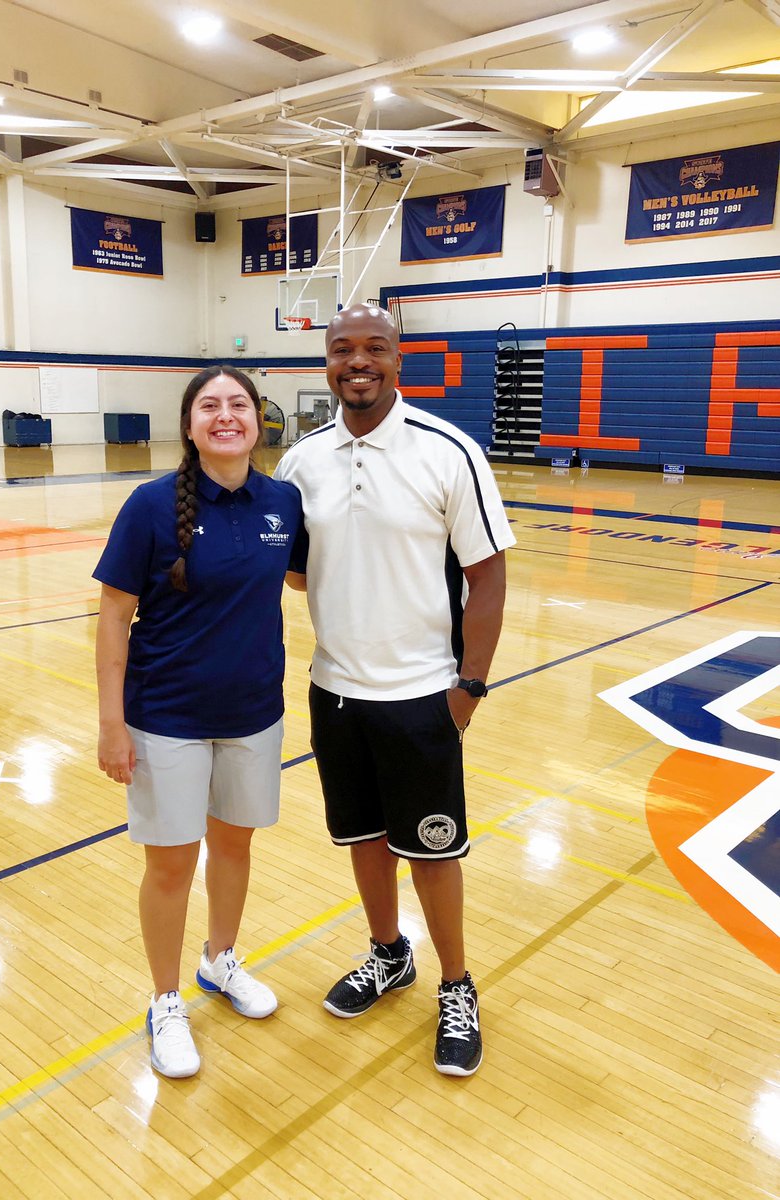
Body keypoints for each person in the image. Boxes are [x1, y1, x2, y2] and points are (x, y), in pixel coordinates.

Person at [274, 304, 514, 1076]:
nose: (358, 361)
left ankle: (456, 983)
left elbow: (487, 575)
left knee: (433, 852)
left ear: (398, 358)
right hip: (334, 692)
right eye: (342, 349)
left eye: (374, 347)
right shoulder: (302, 460)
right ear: (327, 363)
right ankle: (388, 954)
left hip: (422, 696)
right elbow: (295, 563)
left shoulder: (451, 451)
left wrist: (468, 685)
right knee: (365, 841)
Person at [94, 365, 302, 1079]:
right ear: (188, 425)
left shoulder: (284, 501)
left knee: (235, 846)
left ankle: (220, 961)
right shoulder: (150, 506)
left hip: (253, 712)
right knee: (173, 863)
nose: (225, 415)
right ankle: (165, 999)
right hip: (166, 716)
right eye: (208, 405)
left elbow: (305, 577)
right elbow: (115, 618)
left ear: (258, 420)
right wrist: (111, 724)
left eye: (238, 404)